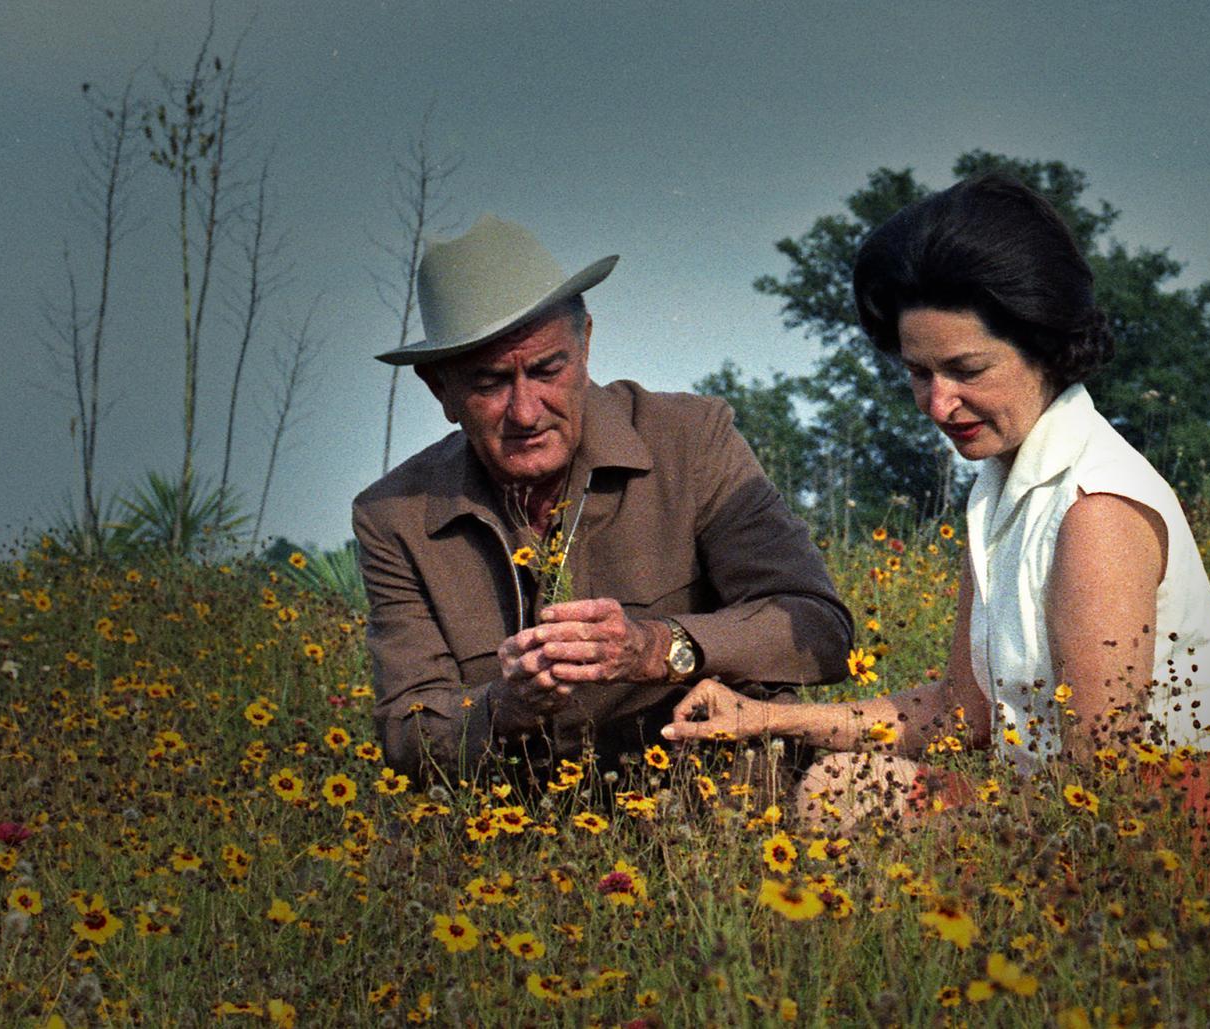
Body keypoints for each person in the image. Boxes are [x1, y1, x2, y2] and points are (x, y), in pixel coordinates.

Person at [662, 174, 1210, 829]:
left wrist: (940, 821)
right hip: (1066, 809)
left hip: (1164, 832)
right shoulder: (1002, 482)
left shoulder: (1094, 510)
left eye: (966, 371)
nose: (936, 404)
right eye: (918, 373)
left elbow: (1100, 782)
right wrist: (768, 719)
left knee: (844, 794)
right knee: (840, 783)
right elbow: (962, 711)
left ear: (1042, 342)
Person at [353, 214, 852, 783]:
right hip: (513, 843)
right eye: (490, 383)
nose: (525, 411)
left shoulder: (692, 440)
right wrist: (503, 707)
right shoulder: (394, 517)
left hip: (714, 821)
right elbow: (406, 734)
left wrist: (656, 648)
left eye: (547, 370)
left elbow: (819, 630)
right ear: (440, 388)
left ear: (585, 343)